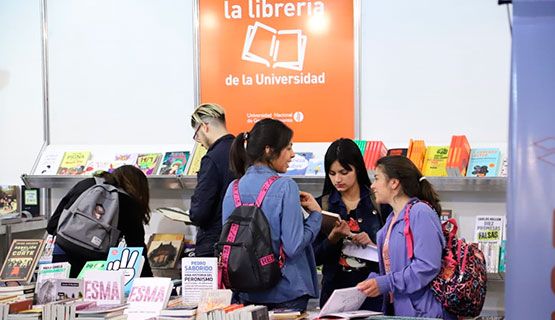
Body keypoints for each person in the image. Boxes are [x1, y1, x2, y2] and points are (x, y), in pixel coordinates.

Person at [223, 118, 322, 311]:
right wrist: (316, 216)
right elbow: (293, 247)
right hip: (286, 290)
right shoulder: (285, 186)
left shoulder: (232, 189)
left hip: (245, 291)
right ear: (269, 150)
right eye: (288, 148)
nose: (292, 155)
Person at [357, 156, 456, 319]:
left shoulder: (420, 212)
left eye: (376, 178)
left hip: (424, 313)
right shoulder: (392, 219)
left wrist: (386, 282)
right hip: (401, 310)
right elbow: (397, 265)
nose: (372, 186)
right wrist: (376, 281)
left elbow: (427, 266)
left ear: (394, 183)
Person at [313, 138, 392, 311]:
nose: (338, 179)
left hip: (374, 292)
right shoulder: (321, 206)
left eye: (344, 172)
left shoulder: (380, 203)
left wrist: (372, 243)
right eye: (332, 174)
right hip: (334, 293)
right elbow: (313, 257)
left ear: (357, 169)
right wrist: (332, 239)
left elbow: (396, 252)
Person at [47, 165, 153, 278]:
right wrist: (151, 282)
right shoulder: (128, 202)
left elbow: (52, 224)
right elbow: (136, 250)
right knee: (87, 295)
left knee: (60, 293)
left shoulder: (86, 184)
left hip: (63, 251)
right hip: (94, 261)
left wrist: (69, 239)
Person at [189, 103, 235, 257]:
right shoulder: (243, 151)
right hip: (242, 242)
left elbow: (200, 212)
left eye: (197, 135)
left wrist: (192, 213)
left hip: (215, 243)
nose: (200, 142)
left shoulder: (212, 158)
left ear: (204, 126)